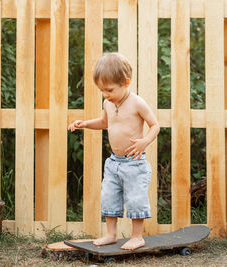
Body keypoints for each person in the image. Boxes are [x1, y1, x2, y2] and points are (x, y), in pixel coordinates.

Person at [68, 52, 160, 250]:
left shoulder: (137, 103)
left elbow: (155, 125)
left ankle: (137, 236)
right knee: (109, 196)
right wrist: (84, 124)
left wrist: (145, 141)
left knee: (136, 199)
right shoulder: (108, 103)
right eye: (102, 91)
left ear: (125, 83)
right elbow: (104, 122)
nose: (105, 95)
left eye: (109, 90)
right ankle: (111, 234)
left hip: (134, 163)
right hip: (113, 163)